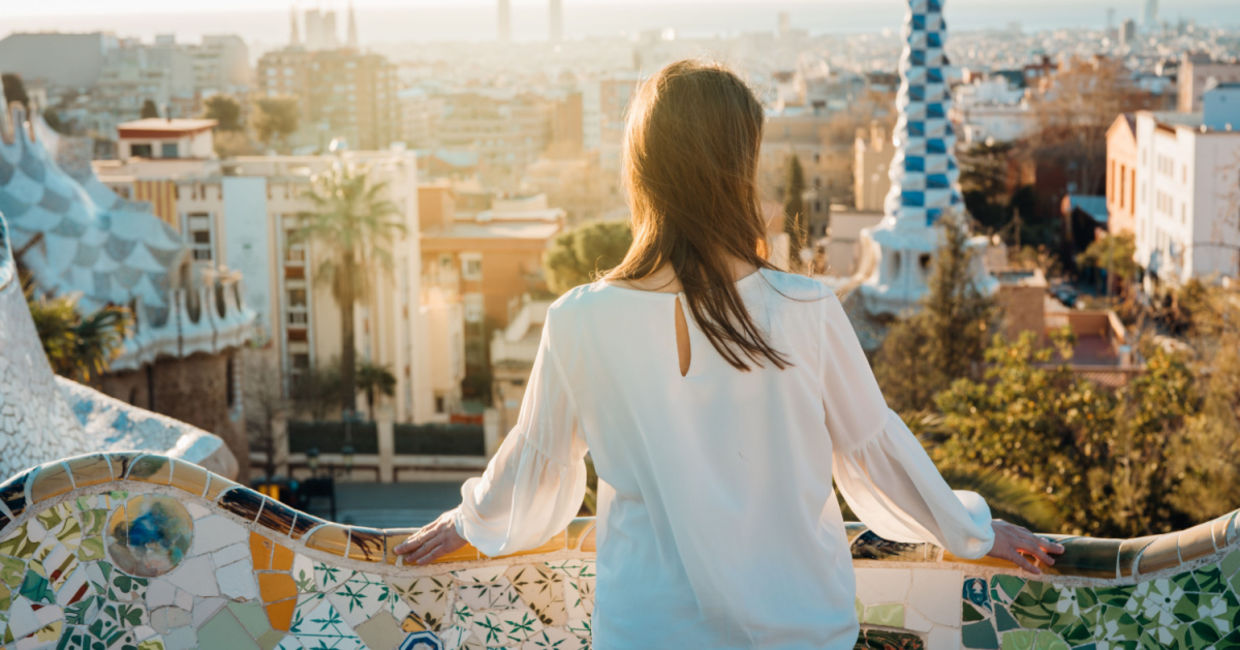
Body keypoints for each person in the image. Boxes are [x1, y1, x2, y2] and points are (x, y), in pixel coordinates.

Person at [394, 60, 1063, 648]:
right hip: (798, 630)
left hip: (645, 632)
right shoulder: (805, 307)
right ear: (739, 167)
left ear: (644, 170)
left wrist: (471, 522)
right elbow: (872, 454)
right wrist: (971, 533)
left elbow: (537, 467)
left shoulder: (578, 320)